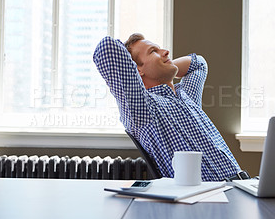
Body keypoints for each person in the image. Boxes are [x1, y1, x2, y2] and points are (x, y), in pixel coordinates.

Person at [93, 33, 247, 181]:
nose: (166, 52)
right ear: (136, 69)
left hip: (240, 184)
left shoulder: (186, 95)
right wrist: (155, 67)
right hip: (206, 199)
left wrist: (165, 66)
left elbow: (198, 64)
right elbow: (107, 48)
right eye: (153, 51)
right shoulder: (143, 107)